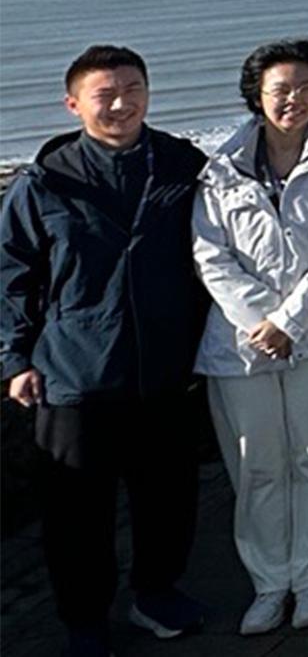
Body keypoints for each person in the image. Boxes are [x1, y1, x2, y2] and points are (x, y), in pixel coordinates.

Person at [1, 46, 212, 654]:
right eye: (105, 94)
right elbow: (10, 273)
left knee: (169, 496)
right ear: (73, 104)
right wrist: (13, 358)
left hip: (167, 368)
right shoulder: (47, 180)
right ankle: (84, 620)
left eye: (133, 88)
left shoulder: (182, 165)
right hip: (74, 373)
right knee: (75, 512)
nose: (121, 103)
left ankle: (156, 592)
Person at [192, 39, 308, 634]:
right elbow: (210, 255)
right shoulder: (221, 166)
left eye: (305, 87)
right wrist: (260, 322)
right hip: (240, 343)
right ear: (257, 94)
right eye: (279, 89)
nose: (293, 99)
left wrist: (290, 322)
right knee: (259, 464)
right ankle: (270, 583)